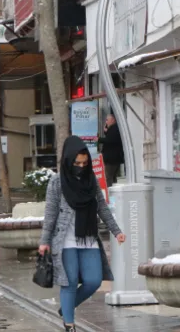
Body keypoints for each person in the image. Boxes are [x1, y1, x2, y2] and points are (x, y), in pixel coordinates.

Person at [38, 136, 126, 332]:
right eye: (77, 163)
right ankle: (69, 324)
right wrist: (45, 241)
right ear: (68, 160)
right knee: (68, 283)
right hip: (65, 241)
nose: (80, 166)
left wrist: (117, 231)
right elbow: (50, 214)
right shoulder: (57, 182)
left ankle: (66, 307)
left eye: (84, 163)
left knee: (94, 281)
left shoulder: (91, 181)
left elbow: (102, 208)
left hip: (88, 238)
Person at [99, 114, 123, 187]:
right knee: (112, 177)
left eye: (107, 120)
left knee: (108, 177)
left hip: (112, 159)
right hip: (113, 158)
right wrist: (106, 132)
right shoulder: (112, 129)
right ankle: (113, 195)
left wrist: (99, 139)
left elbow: (110, 140)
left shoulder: (115, 129)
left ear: (112, 120)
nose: (106, 122)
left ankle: (110, 194)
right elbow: (110, 138)